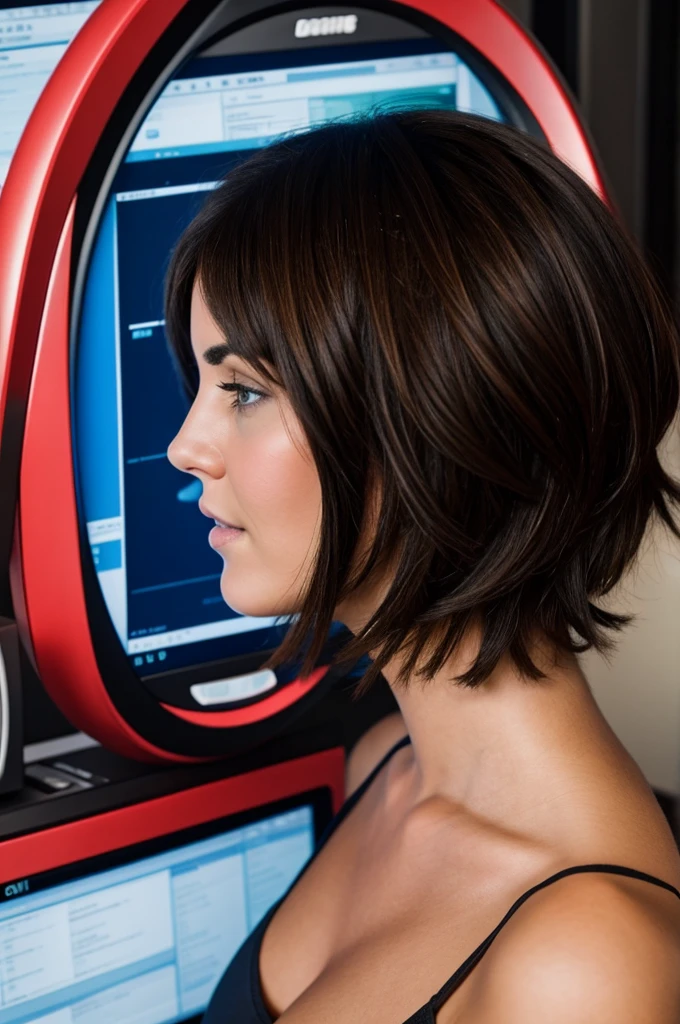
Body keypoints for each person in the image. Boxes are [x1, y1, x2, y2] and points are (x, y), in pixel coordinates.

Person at [165, 110, 680, 1023]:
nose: (185, 446)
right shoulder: (384, 765)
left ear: (431, 422)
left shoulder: (587, 968)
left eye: (243, 389)